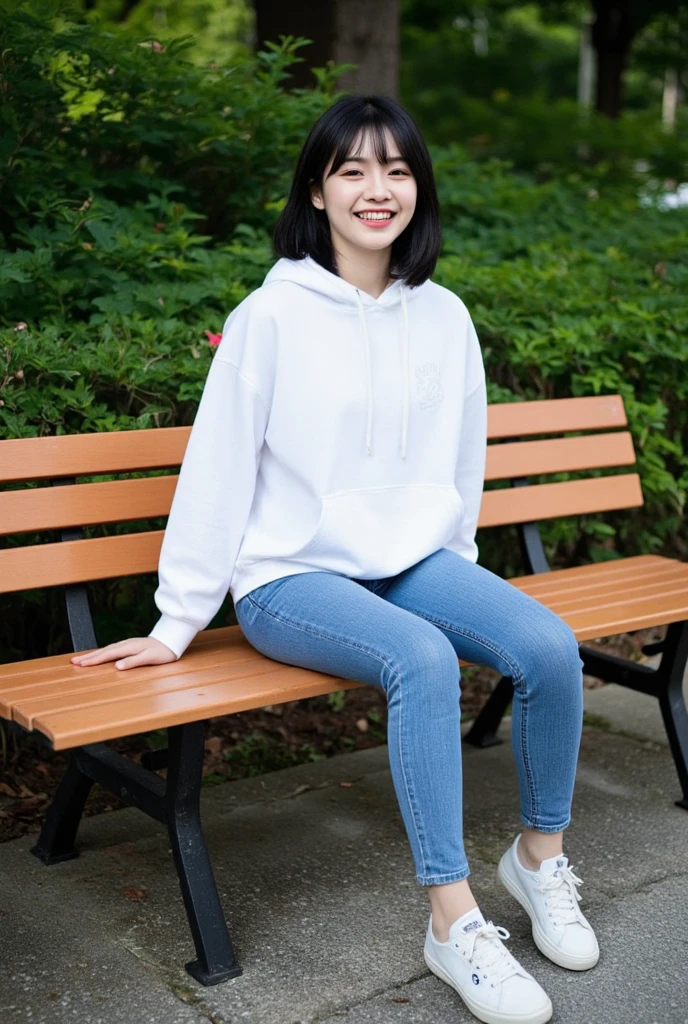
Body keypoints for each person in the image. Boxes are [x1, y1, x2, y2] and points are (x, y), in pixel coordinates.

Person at [71, 95, 598, 1024]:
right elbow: (218, 468)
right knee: (421, 659)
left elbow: (460, 459)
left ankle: (540, 859)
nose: (376, 188)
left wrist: (457, 573)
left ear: (417, 189)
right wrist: (177, 619)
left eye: (395, 169)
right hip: (291, 579)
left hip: (411, 561)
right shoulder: (272, 317)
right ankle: (452, 922)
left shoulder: (444, 316)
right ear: (317, 191)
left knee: (549, 648)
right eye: (351, 169)